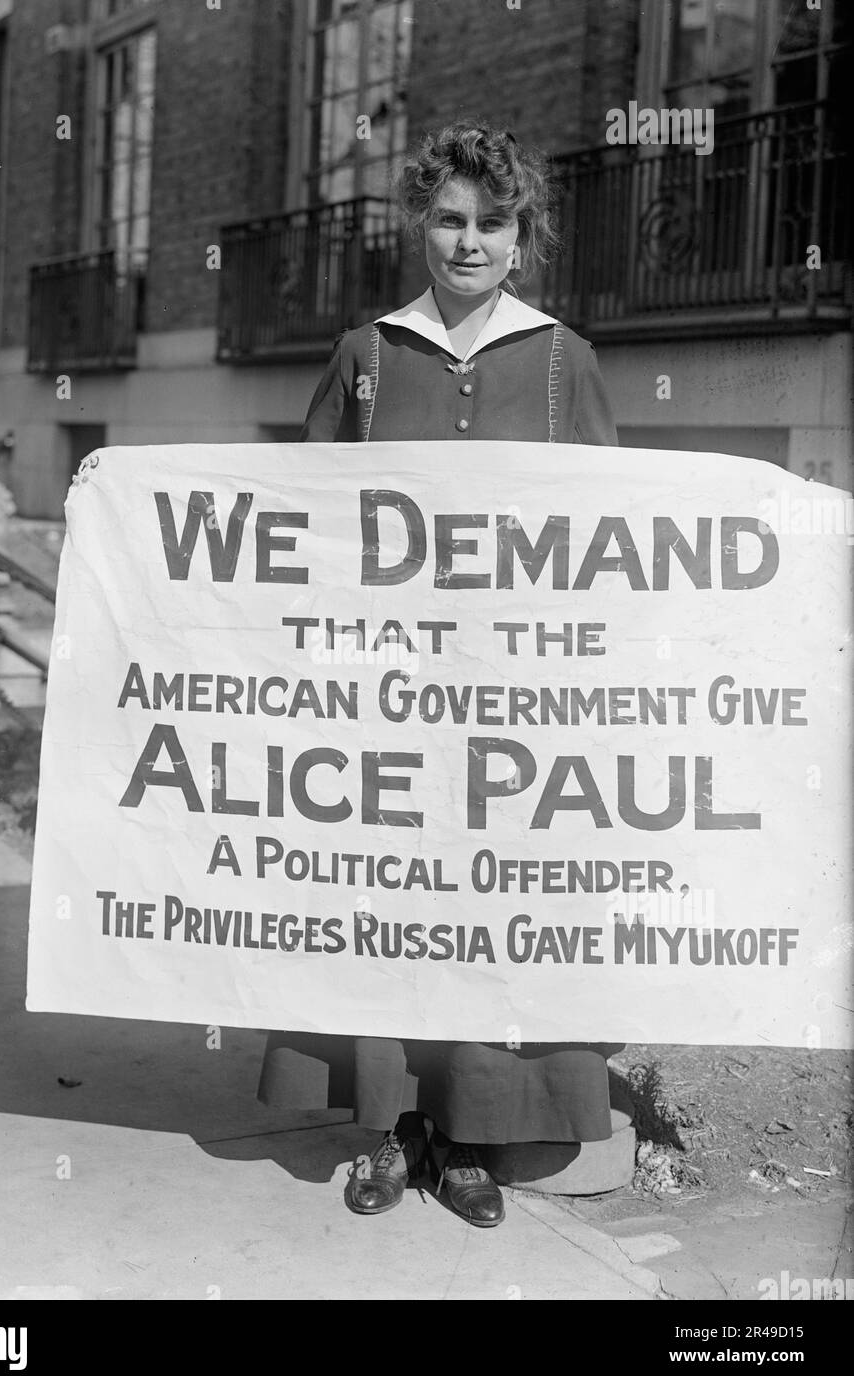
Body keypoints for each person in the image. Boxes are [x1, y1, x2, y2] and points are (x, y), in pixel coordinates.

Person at [257, 121, 621, 1228]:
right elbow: (297, 525)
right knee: (386, 902)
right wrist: (132, 493)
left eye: (493, 224)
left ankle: (467, 1135)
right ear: (420, 224)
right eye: (450, 219)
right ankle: (389, 1126)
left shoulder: (564, 361)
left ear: (523, 239)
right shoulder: (368, 356)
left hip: (513, 696)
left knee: (488, 905)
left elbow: (620, 538)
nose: (470, 242)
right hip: (384, 693)